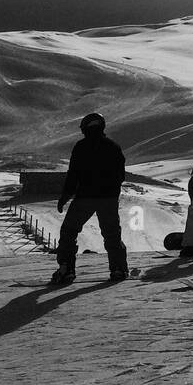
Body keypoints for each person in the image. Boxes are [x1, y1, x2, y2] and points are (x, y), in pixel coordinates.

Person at [52, 113, 128, 285]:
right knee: (112, 234)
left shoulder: (81, 146)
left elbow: (73, 175)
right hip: (107, 198)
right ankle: (118, 269)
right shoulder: (113, 146)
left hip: (85, 198)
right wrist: (111, 193)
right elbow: (120, 176)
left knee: (69, 232)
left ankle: (66, 269)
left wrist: (65, 196)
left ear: (85, 129)